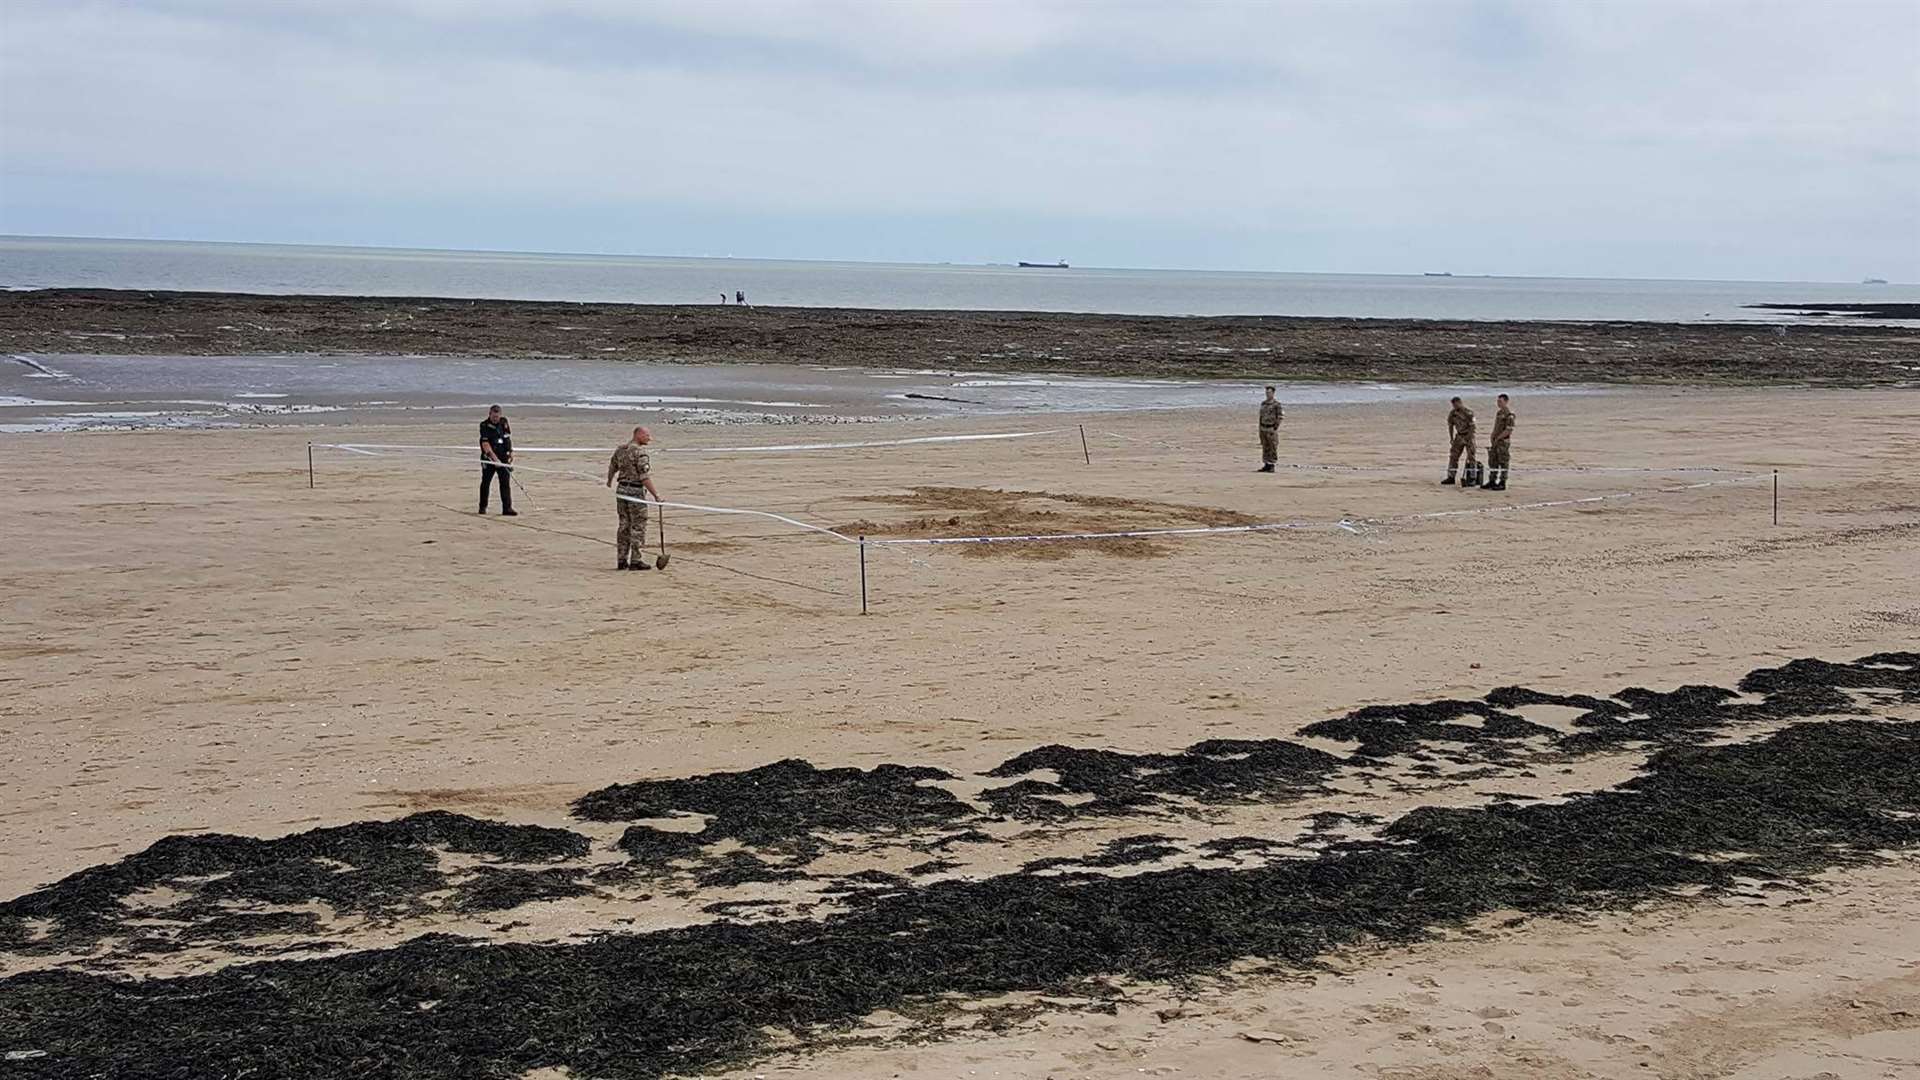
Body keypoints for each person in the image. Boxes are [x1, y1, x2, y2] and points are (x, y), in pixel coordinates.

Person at [606, 426, 662, 570]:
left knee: (624, 525)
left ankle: (622, 559)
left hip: (621, 490)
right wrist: (656, 495)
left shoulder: (621, 449)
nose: (650, 438)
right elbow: (644, 476)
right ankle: (636, 560)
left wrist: (609, 481)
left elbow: (613, 466)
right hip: (635, 492)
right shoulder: (639, 452)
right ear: (638, 435)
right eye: (647, 435)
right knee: (638, 526)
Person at [478, 405, 516, 516]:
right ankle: (482, 507)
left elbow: (507, 439)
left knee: (505, 483)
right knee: (486, 482)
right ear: (489, 414)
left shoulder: (504, 422)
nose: (495, 419)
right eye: (493, 416)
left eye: (497, 416)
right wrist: (495, 460)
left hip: (503, 457)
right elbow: (485, 444)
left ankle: (507, 508)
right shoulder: (484, 425)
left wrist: (510, 453)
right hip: (489, 458)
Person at [1482, 393, 1515, 490]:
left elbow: (1509, 430)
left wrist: (1498, 438)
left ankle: (1502, 482)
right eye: (1497, 401)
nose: (1498, 403)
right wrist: (1493, 436)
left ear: (1506, 401)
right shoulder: (1499, 413)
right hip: (1496, 440)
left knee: (1503, 461)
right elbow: (1496, 427)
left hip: (1503, 441)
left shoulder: (1509, 415)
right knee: (1493, 461)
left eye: (1500, 401)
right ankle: (1492, 480)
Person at [1442, 396, 1478, 485]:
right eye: (1453, 405)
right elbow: (1450, 425)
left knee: (1471, 457)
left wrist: (1469, 438)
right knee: (1453, 456)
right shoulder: (1453, 413)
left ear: (1460, 403)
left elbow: (1473, 427)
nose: (1454, 406)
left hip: (1468, 436)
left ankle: (1472, 477)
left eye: (1455, 404)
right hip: (1459, 436)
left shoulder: (1468, 413)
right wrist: (1451, 438)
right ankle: (1451, 476)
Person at [1256, 386, 1283, 473]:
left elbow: (1280, 416)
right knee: (1265, 446)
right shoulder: (1263, 404)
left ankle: (1272, 464)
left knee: (1272, 446)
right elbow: (1261, 416)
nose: (1268, 394)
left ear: (1273, 393)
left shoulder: (1276, 404)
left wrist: (1275, 427)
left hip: (1271, 428)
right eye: (1267, 393)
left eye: (1269, 392)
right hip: (1263, 427)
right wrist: (1260, 427)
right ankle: (1266, 464)